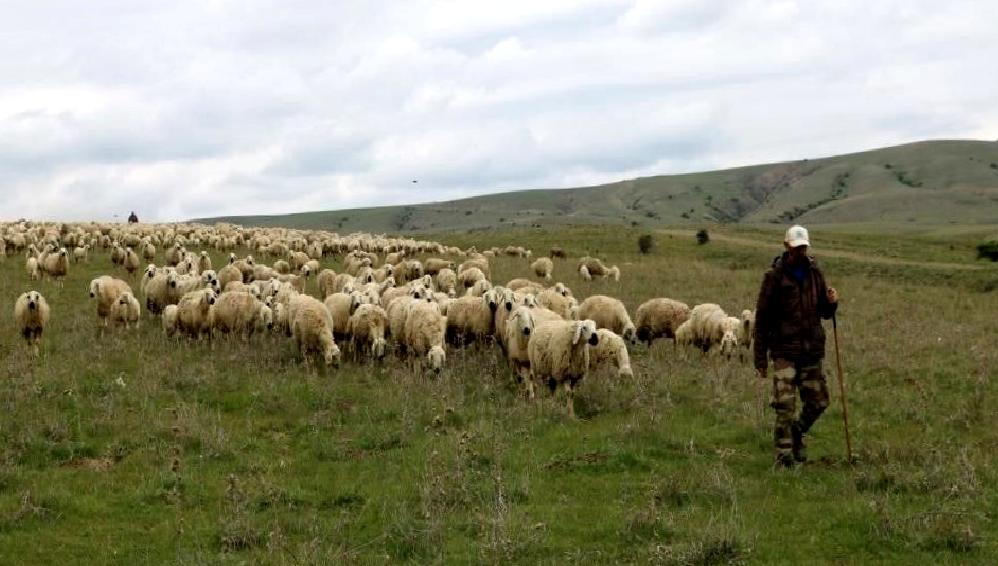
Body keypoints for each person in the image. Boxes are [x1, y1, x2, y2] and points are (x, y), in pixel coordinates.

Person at [754, 224, 839, 468]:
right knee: (785, 406)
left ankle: (797, 433)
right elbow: (762, 320)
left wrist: (832, 303)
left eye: (803, 248)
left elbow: (823, 311)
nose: (800, 252)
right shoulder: (774, 277)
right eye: (796, 248)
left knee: (819, 402)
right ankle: (783, 458)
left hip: (811, 350)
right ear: (786, 246)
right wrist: (760, 359)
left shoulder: (815, 274)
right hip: (784, 351)